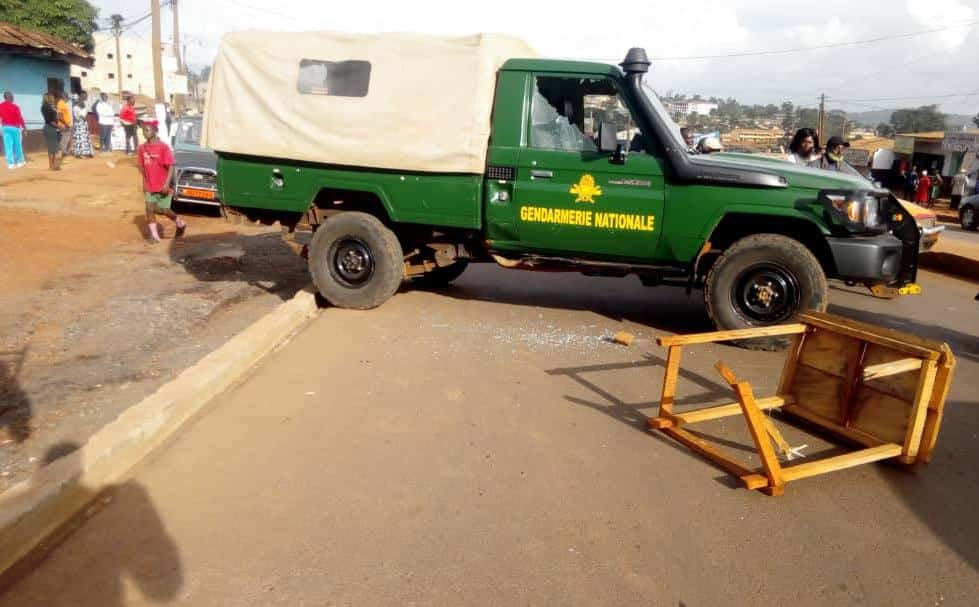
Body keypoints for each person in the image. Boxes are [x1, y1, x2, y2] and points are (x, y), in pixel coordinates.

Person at [137, 120, 186, 243]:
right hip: (149, 185)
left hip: (162, 184)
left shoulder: (163, 147)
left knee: (164, 211)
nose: (145, 133)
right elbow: (142, 167)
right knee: (149, 208)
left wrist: (166, 184)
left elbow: (171, 166)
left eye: (148, 130)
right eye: (143, 130)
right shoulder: (142, 149)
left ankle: (179, 222)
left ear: (155, 131)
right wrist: (144, 183)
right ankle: (154, 236)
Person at [0, 91, 27, 169]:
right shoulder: (15, 107)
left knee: (8, 146)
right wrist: (24, 127)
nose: (13, 98)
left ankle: (10, 164)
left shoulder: (0, 106)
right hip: (15, 128)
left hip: (5, 128)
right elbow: (20, 118)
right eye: (12, 97)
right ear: (9, 97)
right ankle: (19, 161)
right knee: (17, 145)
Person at [40, 94, 61, 171]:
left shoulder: (49, 107)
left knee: (54, 148)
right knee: (51, 148)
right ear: (49, 99)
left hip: (52, 127)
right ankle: (51, 166)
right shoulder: (47, 107)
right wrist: (59, 126)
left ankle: (53, 164)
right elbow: (50, 120)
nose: (53, 99)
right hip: (50, 127)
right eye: (52, 97)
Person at [71, 94, 94, 158]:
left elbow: (85, 116)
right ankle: (80, 153)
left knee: (86, 138)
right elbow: (77, 117)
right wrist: (81, 117)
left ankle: (88, 152)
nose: (81, 102)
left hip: (84, 124)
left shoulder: (84, 107)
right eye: (80, 100)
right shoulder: (75, 108)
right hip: (79, 124)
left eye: (82, 101)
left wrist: (83, 117)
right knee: (80, 139)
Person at [56, 92, 73, 157]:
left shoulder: (63, 103)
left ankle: (64, 151)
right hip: (63, 124)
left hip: (66, 124)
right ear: (64, 97)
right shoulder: (60, 103)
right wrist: (65, 124)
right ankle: (63, 152)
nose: (68, 99)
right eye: (67, 97)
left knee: (66, 138)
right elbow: (59, 116)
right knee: (64, 138)